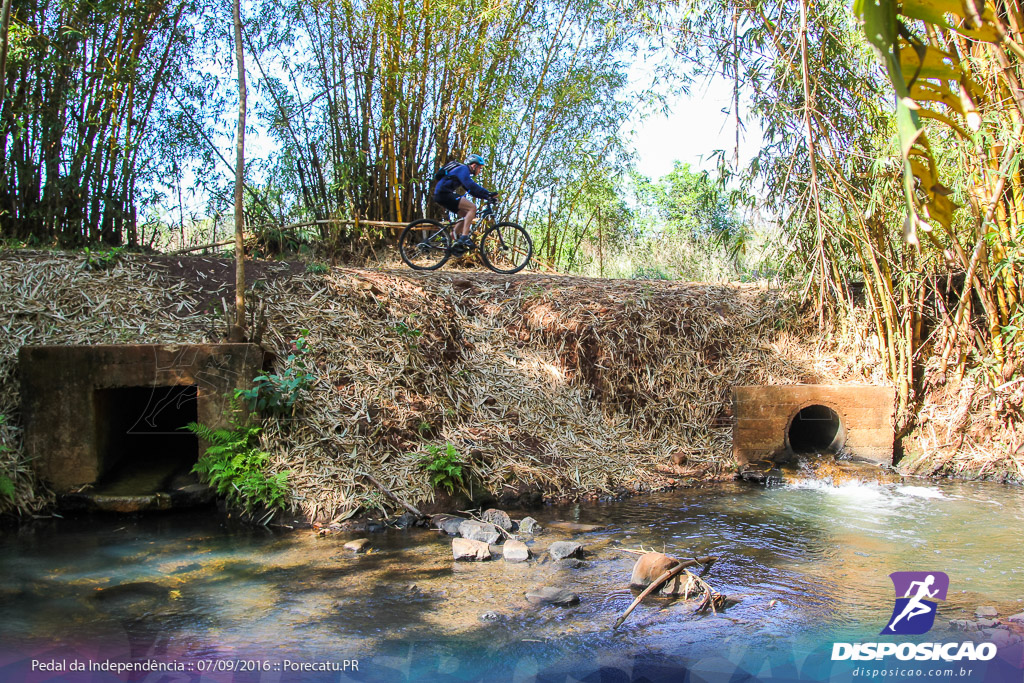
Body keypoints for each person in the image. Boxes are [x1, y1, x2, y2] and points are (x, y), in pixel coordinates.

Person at [432, 153, 499, 249]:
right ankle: (464, 237)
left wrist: (487, 197)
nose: (480, 171)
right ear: (474, 165)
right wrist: (488, 193)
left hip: (442, 195)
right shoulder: (463, 169)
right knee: (472, 208)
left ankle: (452, 236)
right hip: (444, 194)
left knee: (467, 215)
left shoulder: (462, 172)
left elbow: (471, 191)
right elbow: (470, 185)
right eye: (480, 168)